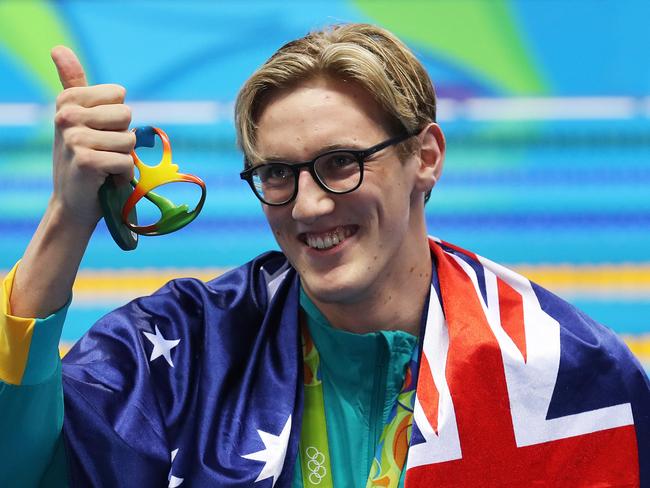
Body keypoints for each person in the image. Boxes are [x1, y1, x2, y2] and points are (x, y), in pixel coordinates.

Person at [1, 23, 648, 488]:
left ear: (425, 158)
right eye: (278, 174)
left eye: (341, 163)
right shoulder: (192, 349)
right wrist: (66, 220)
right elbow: (24, 466)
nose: (308, 206)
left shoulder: (566, 372)